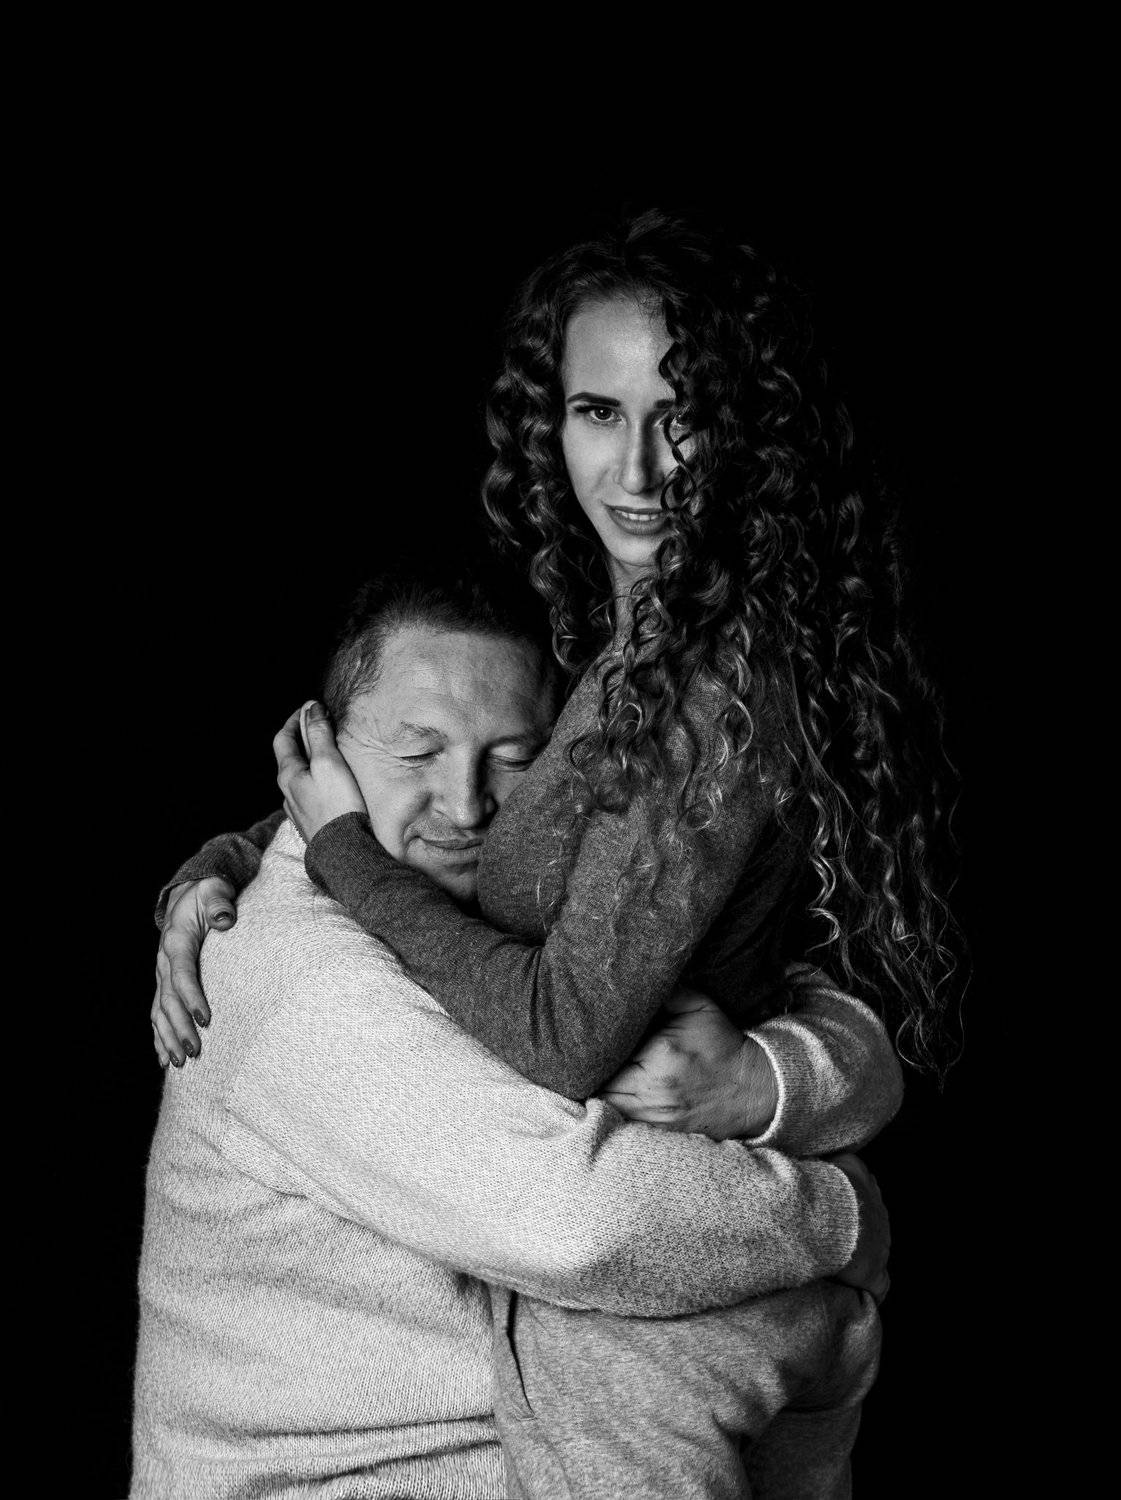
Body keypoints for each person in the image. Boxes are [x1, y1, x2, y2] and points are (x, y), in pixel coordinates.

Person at [152, 209, 958, 1492]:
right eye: (597, 411)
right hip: (631, 1283)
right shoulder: (607, 635)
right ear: (552, 421)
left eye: (681, 415)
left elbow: (566, 1035)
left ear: (750, 429)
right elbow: (474, 797)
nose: (636, 468)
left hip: (644, 1304)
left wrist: (343, 854)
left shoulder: (709, 687)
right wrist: (233, 855)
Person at [135, 561, 895, 1499]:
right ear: (316, 752)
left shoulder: (504, 899)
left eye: (513, 757)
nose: (465, 806)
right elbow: (580, 1221)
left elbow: (807, 1001)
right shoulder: (297, 972)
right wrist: (841, 1217)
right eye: (416, 755)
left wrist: (765, 1078)